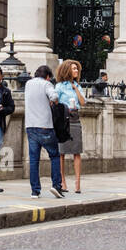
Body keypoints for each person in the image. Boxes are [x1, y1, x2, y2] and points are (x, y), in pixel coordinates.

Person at [23, 65, 63, 199]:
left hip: (30, 126)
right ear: (47, 76)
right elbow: (55, 97)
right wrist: (54, 102)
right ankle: (56, 186)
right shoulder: (47, 84)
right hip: (45, 126)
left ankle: (35, 191)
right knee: (55, 155)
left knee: (34, 159)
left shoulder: (28, 83)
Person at [55, 59, 86, 193]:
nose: (76, 71)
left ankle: (78, 184)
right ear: (67, 70)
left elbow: (83, 102)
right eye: (74, 69)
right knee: (61, 152)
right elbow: (55, 101)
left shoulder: (77, 86)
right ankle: (63, 182)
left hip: (75, 118)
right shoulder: (60, 86)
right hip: (63, 118)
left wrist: (75, 89)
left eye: (77, 69)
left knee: (77, 151)